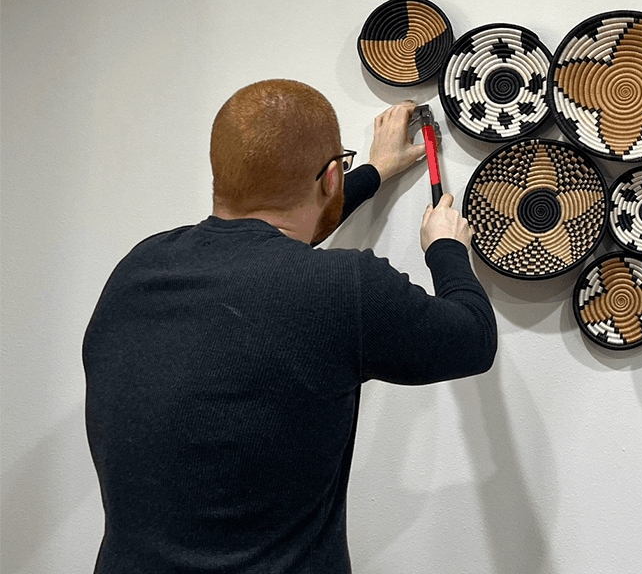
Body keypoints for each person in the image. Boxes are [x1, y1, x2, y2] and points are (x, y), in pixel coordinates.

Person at [82, 79, 497, 573]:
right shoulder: (343, 287)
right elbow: (473, 339)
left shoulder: (140, 267)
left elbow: (263, 248)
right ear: (330, 178)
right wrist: (446, 248)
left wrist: (371, 172)